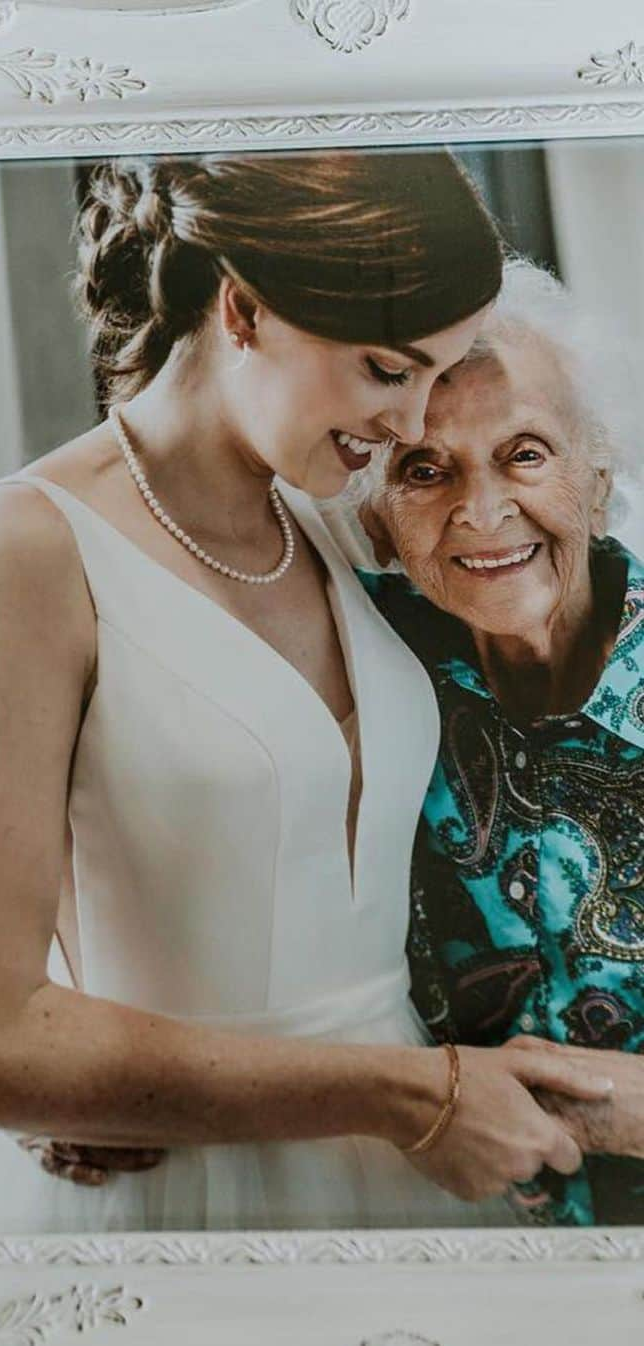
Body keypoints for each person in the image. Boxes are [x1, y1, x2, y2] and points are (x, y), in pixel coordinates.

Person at [0, 152, 614, 1236]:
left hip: (416, 1186)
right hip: (169, 1195)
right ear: (244, 309)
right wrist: (405, 1092)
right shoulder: (26, 546)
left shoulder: (338, 522)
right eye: (390, 369)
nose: (410, 427)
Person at [357, 260, 644, 1226]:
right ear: (380, 522)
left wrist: (590, 1113)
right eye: (425, 470)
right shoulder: (352, 669)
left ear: (598, 481)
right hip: (451, 1248)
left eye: (525, 453)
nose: (480, 511)